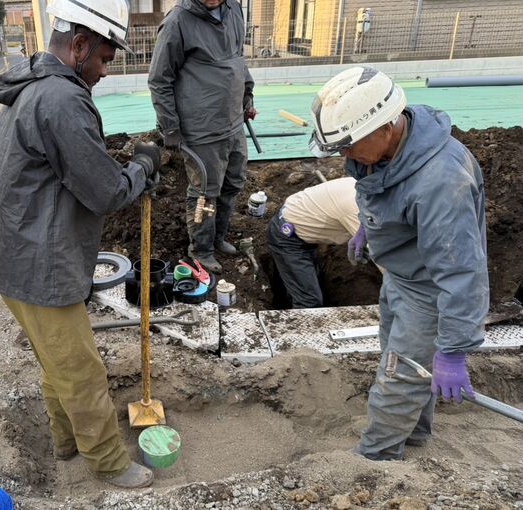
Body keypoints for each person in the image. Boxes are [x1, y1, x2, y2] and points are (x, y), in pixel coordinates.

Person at [0, 0, 161, 489]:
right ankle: (107, 462)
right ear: (79, 45)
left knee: (55, 361)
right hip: (40, 263)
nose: (104, 71)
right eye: (103, 58)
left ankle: (65, 442)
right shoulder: (62, 99)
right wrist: (143, 167)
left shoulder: (30, 86)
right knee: (81, 371)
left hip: (14, 254)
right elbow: (105, 192)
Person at [309, 66, 489, 460]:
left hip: (428, 293)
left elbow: (462, 273)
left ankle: (376, 458)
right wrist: (369, 227)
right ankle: (415, 435)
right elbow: (383, 190)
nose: (343, 155)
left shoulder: (441, 182)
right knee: (399, 362)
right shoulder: (388, 151)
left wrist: (453, 349)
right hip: (401, 277)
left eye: (348, 145)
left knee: (399, 377)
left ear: (385, 127)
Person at [148, 0, 256, 274]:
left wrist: (247, 95)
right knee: (205, 193)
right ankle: (201, 249)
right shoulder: (177, 22)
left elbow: (238, 59)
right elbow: (159, 80)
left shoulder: (234, 9)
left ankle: (218, 237)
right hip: (202, 130)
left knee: (233, 183)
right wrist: (170, 127)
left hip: (233, 122)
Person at [266, 177, 361, 308]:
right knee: (309, 302)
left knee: (302, 282)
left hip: (301, 221)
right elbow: (379, 253)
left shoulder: (359, 183)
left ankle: (287, 301)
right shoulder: (354, 208)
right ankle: (290, 312)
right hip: (287, 237)